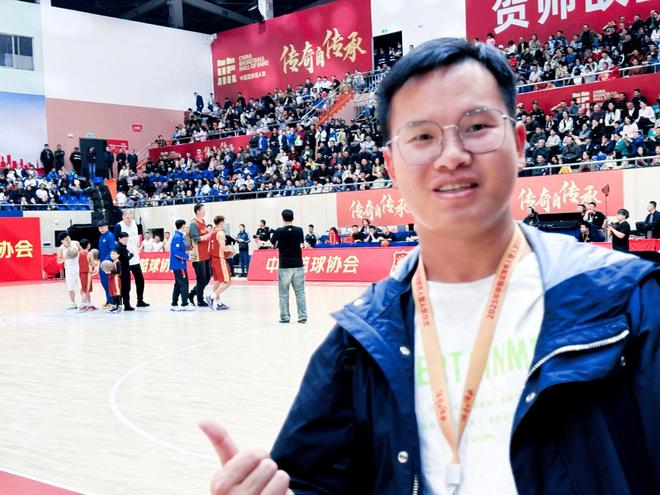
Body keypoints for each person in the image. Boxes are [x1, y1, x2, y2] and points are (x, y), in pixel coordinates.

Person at [200, 38, 660, 495]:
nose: (452, 155)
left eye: (477, 126)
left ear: (519, 143)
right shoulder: (360, 338)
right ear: (391, 165)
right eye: (422, 137)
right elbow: (308, 483)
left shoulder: (626, 301)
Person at [270, 209, 307, 324]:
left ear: (282, 218)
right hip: (298, 265)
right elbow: (302, 244)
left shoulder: (279, 231)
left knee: (283, 294)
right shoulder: (299, 230)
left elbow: (272, 244)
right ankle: (302, 316)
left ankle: (285, 317)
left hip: (284, 266)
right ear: (293, 217)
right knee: (300, 292)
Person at [114, 210, 149, 308]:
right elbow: (115, 241)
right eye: (127, 218)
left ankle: (140, 300)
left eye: (131, 217)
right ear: (123, 217)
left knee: (140, 279)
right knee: (125, 282)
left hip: (135, 257)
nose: (129, 220)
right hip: (124, 258)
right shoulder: (119, 226)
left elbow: (136, 238)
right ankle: (126, 304)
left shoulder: (134, 223)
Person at [188, 203, 212, 307]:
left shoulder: (203, 221)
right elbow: (195, 238)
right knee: (201, 279)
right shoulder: (194, 223)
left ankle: (192, 293)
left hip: (206, 254)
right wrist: (207, 236)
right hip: (198, 256)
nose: (204, 211)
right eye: (203, 209)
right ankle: (200, 300)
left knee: (207, 278)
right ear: (198, 211)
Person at [207, 215, 232, 311]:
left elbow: (208, 249)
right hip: (220, 259)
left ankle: (218, 303)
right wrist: (231, 249)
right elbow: (224, 248)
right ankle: (211, 297)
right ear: (221, 222)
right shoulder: (221, 233)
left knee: (217, 281)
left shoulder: (211, 233)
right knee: (228, 282)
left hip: (213, 259)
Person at [170, 219, 193, 312]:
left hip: (179, 264)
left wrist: (187, 253)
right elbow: (175, 252)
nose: (186, 228)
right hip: (179, 265)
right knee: (184, 284)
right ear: (183, 226)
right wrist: (187, 257)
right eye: (185, 226)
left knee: (178, 285)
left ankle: (174, 304)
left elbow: (180, 250)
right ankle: (184, 304)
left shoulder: (180, 237)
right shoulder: (177, 237)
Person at [56, 233, 80, 310]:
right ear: (62, 241)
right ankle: (73, 303)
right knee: (70, 287)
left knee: (81, 285)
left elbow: (82, 251)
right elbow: (58, 261)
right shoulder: (60, 249)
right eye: (66, 240)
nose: (68, 241)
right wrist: (65, 257)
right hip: (69, 269)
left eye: (68, 238)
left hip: (79, 267)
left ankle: (84, 302)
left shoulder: (75, 243)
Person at [97, 219, 116, 308]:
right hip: (102, 263)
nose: (100, 229)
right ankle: (108, 300)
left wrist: (106, 261)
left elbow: (112, 250)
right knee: (103, 282)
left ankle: (112, 301)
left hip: (107, 264)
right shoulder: (101, 237)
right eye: (99, 228)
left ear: (106, 226)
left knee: (109, 283)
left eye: (102, 227)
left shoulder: (110, 236)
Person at [115, 232, 134, 311]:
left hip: (125, 269)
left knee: (125, 288)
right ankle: (124, 305)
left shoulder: (122, 246)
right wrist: (131, 255)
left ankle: (124, 304)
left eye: (127, 240)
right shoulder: (119, 247)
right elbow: (125, 258)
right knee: (124, 288)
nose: (126, 241)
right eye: (124, 240)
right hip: (122, 271)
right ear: (119, 238)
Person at [78, 239, 99, 311]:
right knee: (85, 290)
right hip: (87, 273)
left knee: (86, 289)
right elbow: (93, 264)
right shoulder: (90, 254)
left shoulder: (79, 253)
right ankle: (82, 305)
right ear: (88, 245)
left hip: (81, 272)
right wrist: (95, 263)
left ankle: (89, 304)